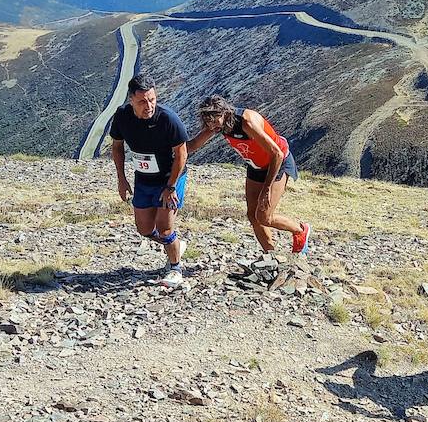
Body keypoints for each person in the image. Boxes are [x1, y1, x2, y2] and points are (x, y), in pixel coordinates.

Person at [188, 95, 311, 255]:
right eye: (208, 122)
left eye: (215, 120)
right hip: (255, 166)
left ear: (225, 113)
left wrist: (266, 189)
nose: (212, 125)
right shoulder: (217, 124)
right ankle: (271, 256)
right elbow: (193, 145)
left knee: (264, 217)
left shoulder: (247, 122)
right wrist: (167, 149)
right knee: (253, 216)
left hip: (277, 163)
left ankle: (300, 230)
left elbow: (277, 154)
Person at [109, 74, 189, 285]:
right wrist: (121, 179)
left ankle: (175, 269)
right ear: (131, 101)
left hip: (170, 178)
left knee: (164, 228)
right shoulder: (122, 117)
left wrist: (171, 187)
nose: (149, 105)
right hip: (143, 178)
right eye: (142, 101)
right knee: (144, 229)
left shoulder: (168, 119)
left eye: (152, 99)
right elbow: (117, 147)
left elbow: (182, 154)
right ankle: (175, 245)